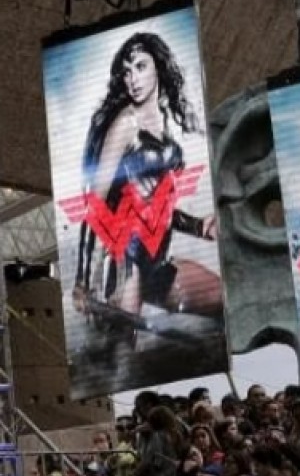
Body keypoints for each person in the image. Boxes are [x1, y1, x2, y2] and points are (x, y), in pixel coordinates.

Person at [73, 32, 221, 348]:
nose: (132, 79)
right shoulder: (125, 124)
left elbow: (155, 209)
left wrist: (199, 226)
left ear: (158, 68)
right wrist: (82, 282)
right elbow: (95, 204)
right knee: (120, 355)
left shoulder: (164, 126)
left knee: (223, 299)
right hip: (127, 262)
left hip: (157, 262)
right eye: (126, 71)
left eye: (140, 67)